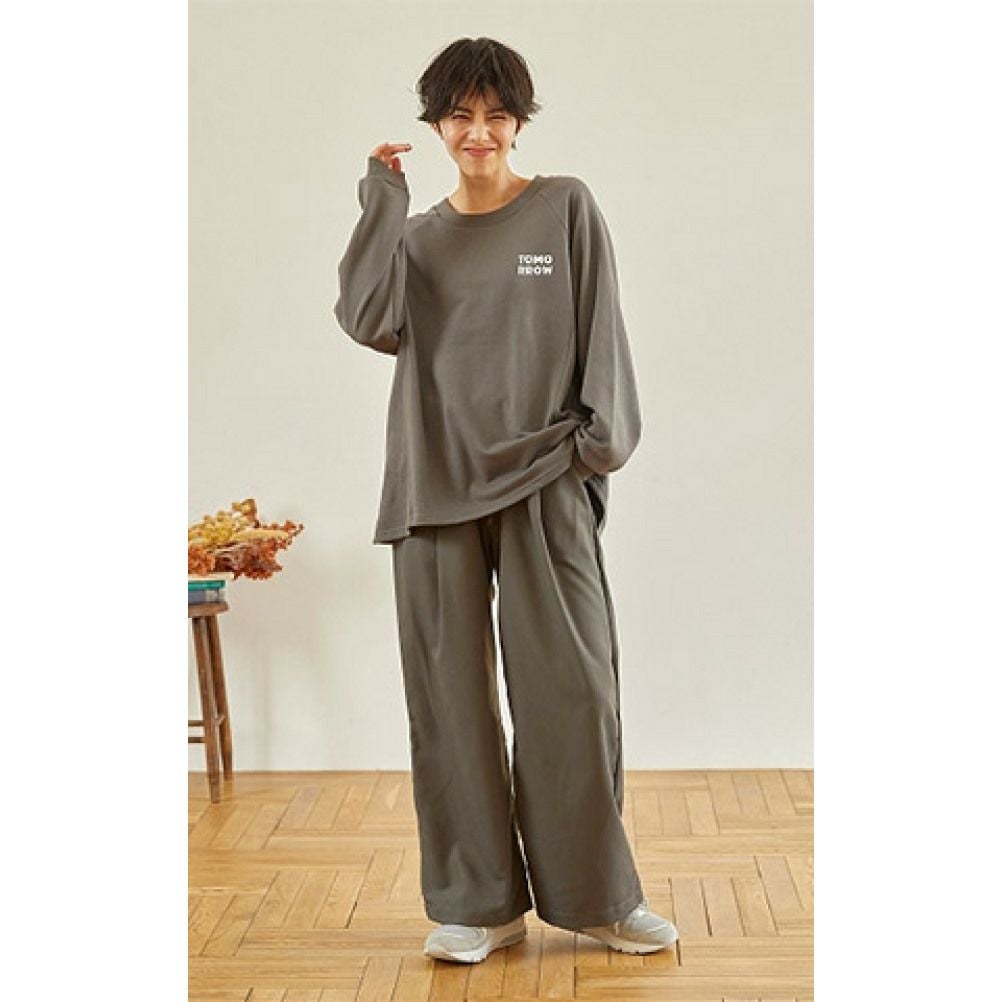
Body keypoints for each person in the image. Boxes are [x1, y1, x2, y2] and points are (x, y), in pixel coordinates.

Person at [333, 36, 680, 965]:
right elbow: (368, 319)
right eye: (460, 116)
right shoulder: (417, 237)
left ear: (520, 121)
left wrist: (595, 450)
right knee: (448, 705)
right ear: (437, 125)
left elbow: (601, 325)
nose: (478, 132)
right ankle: (478, 904)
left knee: (573, 693)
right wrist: (381, 200)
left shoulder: (564, 206)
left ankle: (599, 898)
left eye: (495, 115)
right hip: (433, 487)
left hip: (545, 476)